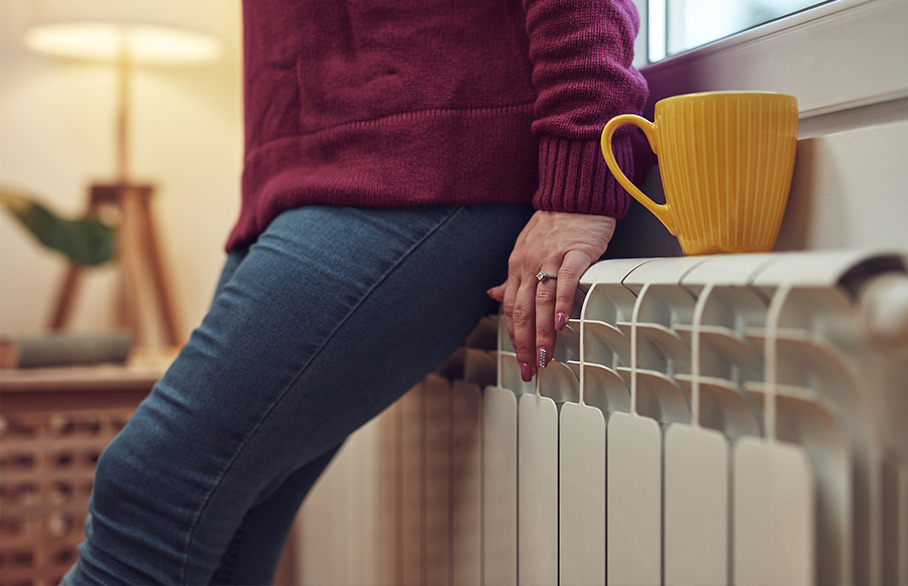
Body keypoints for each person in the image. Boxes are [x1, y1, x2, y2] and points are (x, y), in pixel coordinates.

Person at [62, 0, 647, 583]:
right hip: (299, 180)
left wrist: (584, 159)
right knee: (227, 536)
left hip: (428, 156)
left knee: (146, 491)